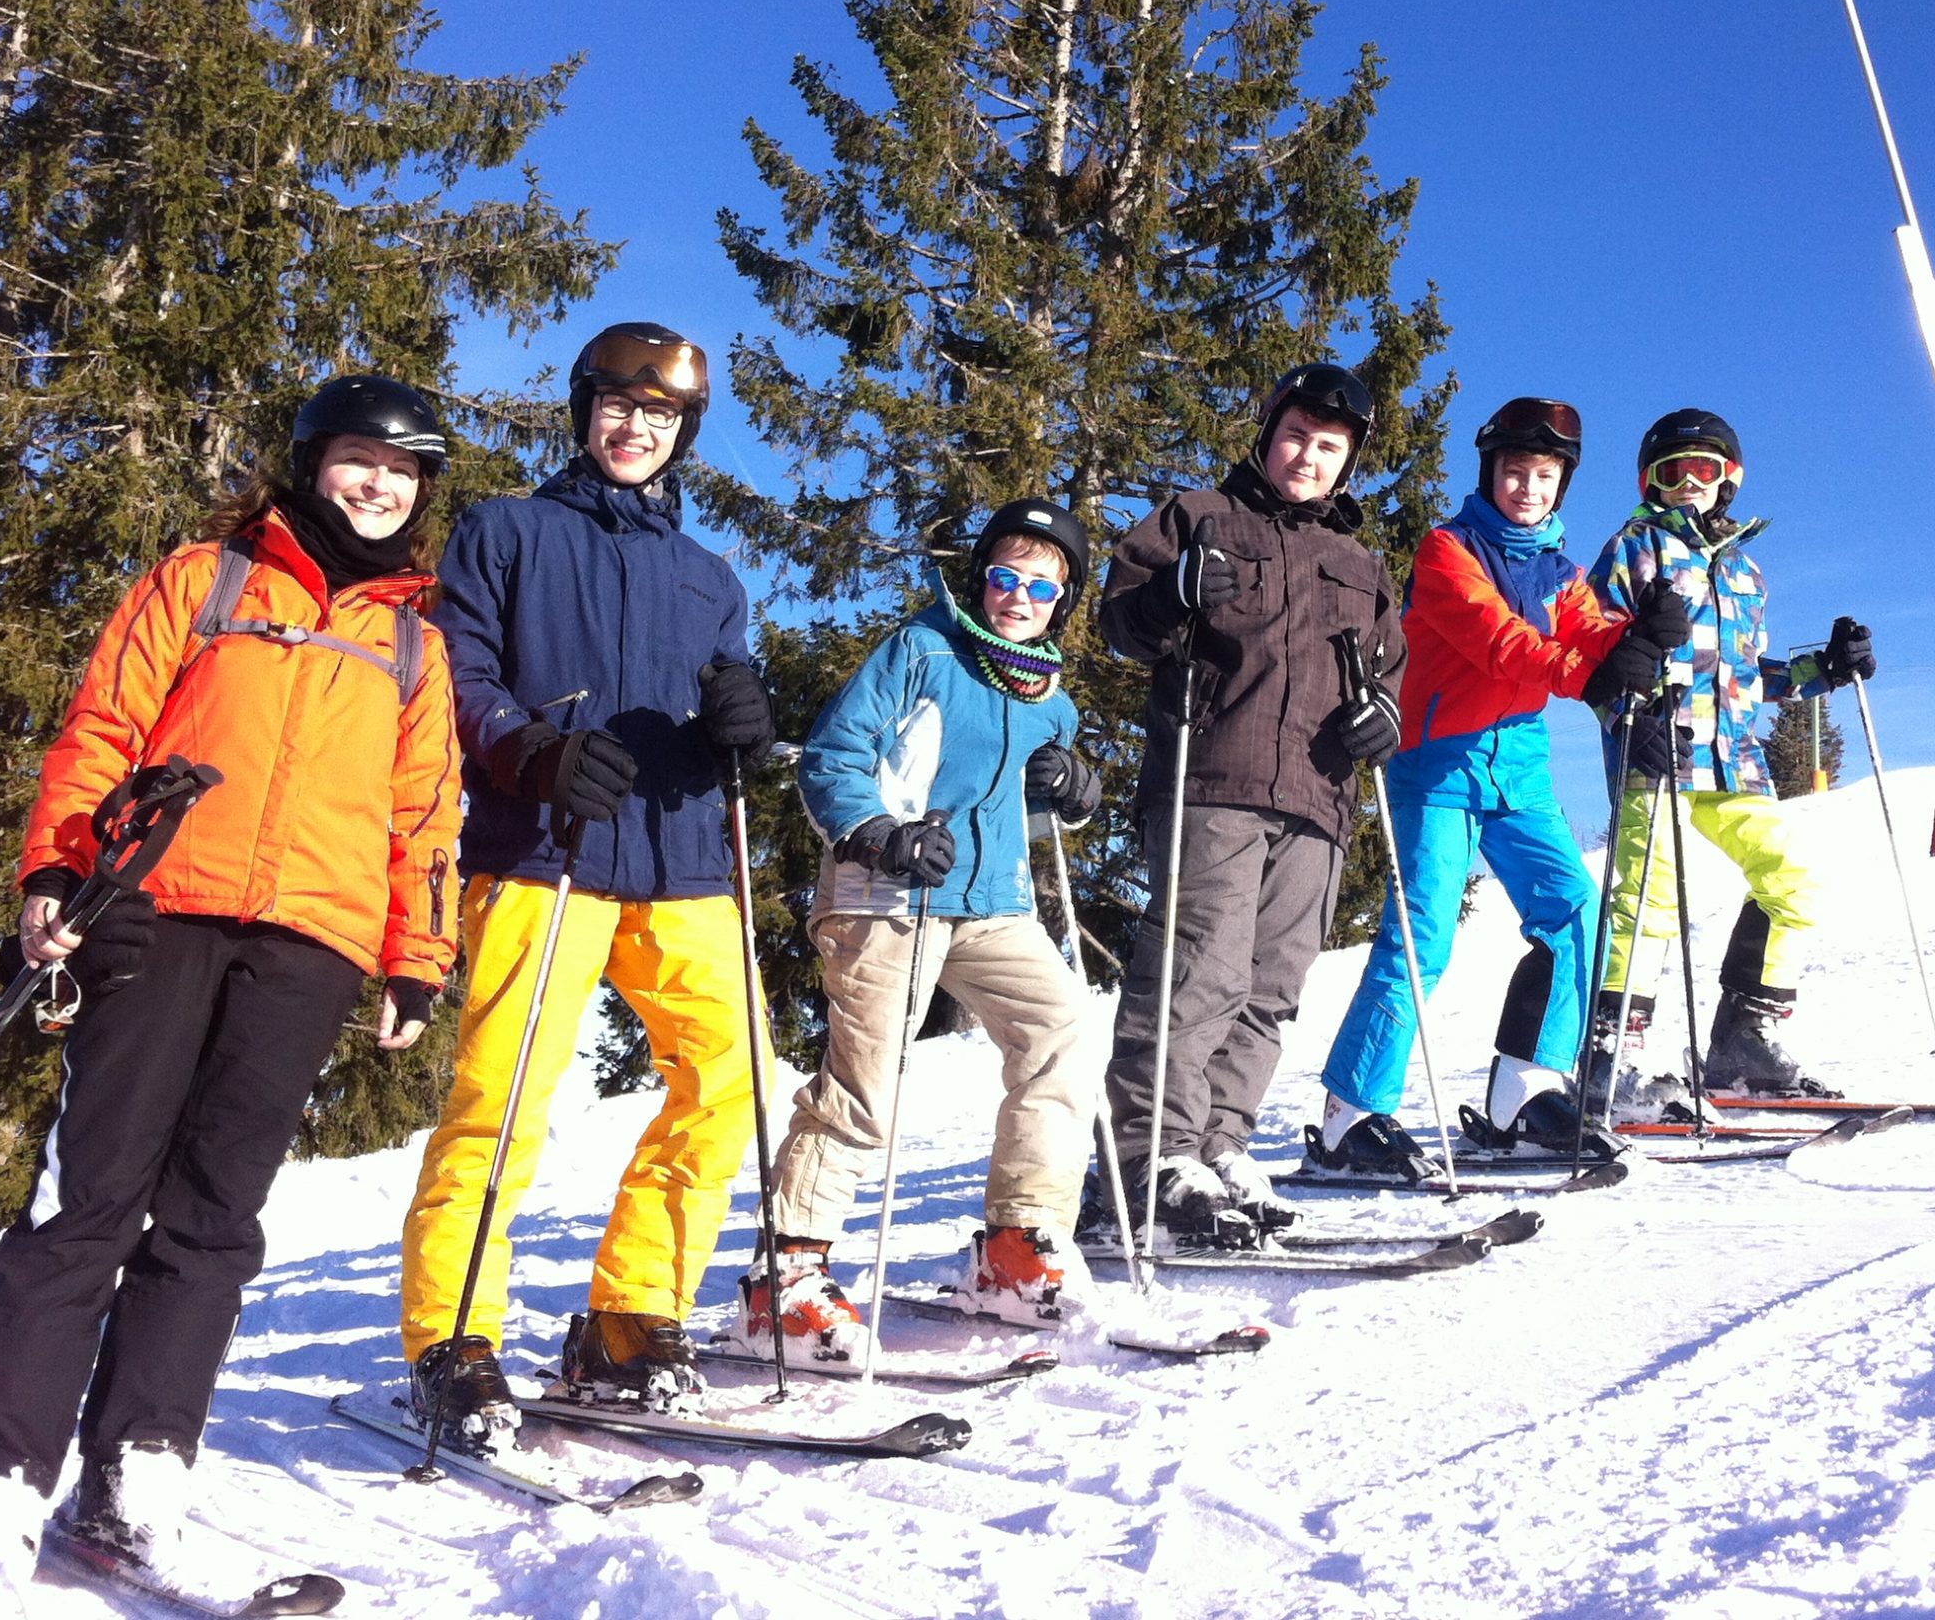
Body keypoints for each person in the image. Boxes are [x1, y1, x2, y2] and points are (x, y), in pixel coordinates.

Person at [0, 377, 460, 1602]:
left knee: (214, 1218)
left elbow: (423, 817)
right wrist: (60, 869)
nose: (378, 484)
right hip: (158, 909)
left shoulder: (412, 643)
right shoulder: (206, 580)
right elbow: (102, 726)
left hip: (309, 944)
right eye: (357, 459)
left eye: (403, 470)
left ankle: (136, 1477)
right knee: (91, 1197)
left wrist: (416, 956)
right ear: (309, 463)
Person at [398, 322, 776, 1439]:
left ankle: (628, 1317)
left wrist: (740, 729)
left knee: (730, 1077)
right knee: (502, 1099)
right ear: (582, 410)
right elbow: (452, 674)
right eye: (616, 405)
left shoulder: (709, 580)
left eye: (658, 415)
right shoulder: (505, 533)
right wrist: (529, 749)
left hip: (684, 863)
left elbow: (721, 707)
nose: (634, 427)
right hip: (544, 854)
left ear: (683, 435)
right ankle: (453, 1337)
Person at [718, 500, 1103, 1361]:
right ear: (980, 579)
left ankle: (1017, 1246)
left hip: (988, 897)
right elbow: (833, 754)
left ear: (1062, 603)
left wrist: (1069, 792)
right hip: (883, 889)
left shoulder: (1050, 698)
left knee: (1061, 1028)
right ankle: (784, 1278)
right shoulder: (921, 650)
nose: (1018, 597)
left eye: (1042, 587)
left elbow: (1022, 808)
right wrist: (878, 834)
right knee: (867, 1081)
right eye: (1005, 577)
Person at [1308, 398, 1683, 1173]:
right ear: (1491, 472)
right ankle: (1350, 1116)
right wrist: (1601, 675)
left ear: (1561, 486)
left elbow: (1590, 630)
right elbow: (1502, 644)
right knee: (1423, 938)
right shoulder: (1448, 550)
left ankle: (1524, 1091)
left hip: (1517, 761)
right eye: (1515, 471)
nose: (1528, 487)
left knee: (1576, 912)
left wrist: (1642, 639)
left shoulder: (1559, 569)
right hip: (1438, 758)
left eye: (1545, 475)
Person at [1096, 364, 1407, 1240]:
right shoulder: (1198, 519)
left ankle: (1218, 1142)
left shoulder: (1359, 564)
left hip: (1318, 797)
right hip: (1213, 778)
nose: (1309, 457)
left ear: (1349, 464)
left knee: (1271, 985)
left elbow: (1387, 672)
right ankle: (1145, 1160)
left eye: (1330, 448)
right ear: (1268, 434)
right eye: (1297, 437)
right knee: (1199, 969)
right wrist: (1171, 591)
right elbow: (1121, 620)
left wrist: (1381, 717)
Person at [1585, 408, 1875, 1106]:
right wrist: (1625, 717)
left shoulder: (1746, 570)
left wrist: (1822, 671)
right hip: (1657, 748)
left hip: (1735, 761)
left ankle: (1744, 1040)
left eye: (1704, 470)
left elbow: (1739, 674)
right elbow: (1592, 658)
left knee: (1793, 880)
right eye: (1672, 471)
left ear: (1729, 480)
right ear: (1651, 483)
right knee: (1647, 902)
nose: (1689, 482)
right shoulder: (1633, 548)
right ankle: (1608, 1059)